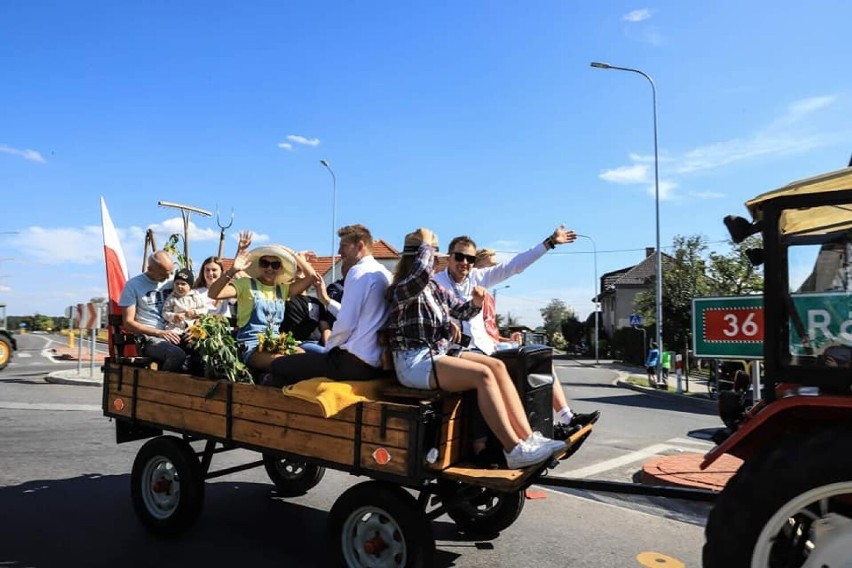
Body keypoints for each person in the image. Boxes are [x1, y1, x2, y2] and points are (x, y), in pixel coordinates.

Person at [386, 228, 564, 470]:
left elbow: (461, 310)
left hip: (434, 357)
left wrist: (476, 304)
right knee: (483, 376)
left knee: (497, 366)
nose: (464, 263)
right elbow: (418, 277)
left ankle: (528, 438)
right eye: (455, 257)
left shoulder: (433, 289)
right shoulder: (403, 288)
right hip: (412, 363)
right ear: (417, 258)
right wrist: (427, 243)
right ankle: (513, 449)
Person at [434, 229, 600, 436]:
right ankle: (526, 436)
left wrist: (549, 243)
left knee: (538, 357)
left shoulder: (477, 278)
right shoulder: (437, 283)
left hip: (486, 347)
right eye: (459, 257)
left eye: (470, 258)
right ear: (449, 258)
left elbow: (514, 266)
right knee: (502, 373)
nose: (464, 262)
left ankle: (566, 417)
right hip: (459, 351)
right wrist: (446, 324)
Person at [266, 224, 392, 386]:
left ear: (360, 246)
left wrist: (329, 350)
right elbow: (358, 316)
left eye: (344, 246)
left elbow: (346, 323)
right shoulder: (383, 273)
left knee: (278, 365)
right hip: (373, 363)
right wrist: (326, 301)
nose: (339, 252)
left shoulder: (359, 272)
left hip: (353, 363)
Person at [207, 244, 316, 372]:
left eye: (275, 265)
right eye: (265, 263)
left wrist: (294, 255)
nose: (269, 268)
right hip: (251, 344)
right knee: (282, 362)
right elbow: (213, 294)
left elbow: (311, 277)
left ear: (280, 268)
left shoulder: (283, 289)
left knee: (303, 356)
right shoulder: (246, 284)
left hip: (277, 343)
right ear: (259, 265)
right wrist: (232, 270)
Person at [118, 250, 185, 371]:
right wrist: (159, 333)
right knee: (176, 355)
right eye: (163, 274)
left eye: (170, 273)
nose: (168, 277)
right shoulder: (133, 285)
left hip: (176, 332)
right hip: (150, 339)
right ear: (150, 269)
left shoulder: (173, 282)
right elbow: (128, 322)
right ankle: (163, 387)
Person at [193, 231, 254, 316]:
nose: (210, 273)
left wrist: (240, 250)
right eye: (207, 270)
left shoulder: (226, 290)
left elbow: (235, 269)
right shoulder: (196, 292)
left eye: (214, 270)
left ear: (221, 272)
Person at [280, 264, 334, 354]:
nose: (300, 282)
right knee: (326, 356)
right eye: (297, 279)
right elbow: (311, 275)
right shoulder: (286, 298)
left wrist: (329, 346)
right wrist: (300, 259)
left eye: (303, 279)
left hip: (320, 344)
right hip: (300, 344)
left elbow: (325, 327)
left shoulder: (317, 302)